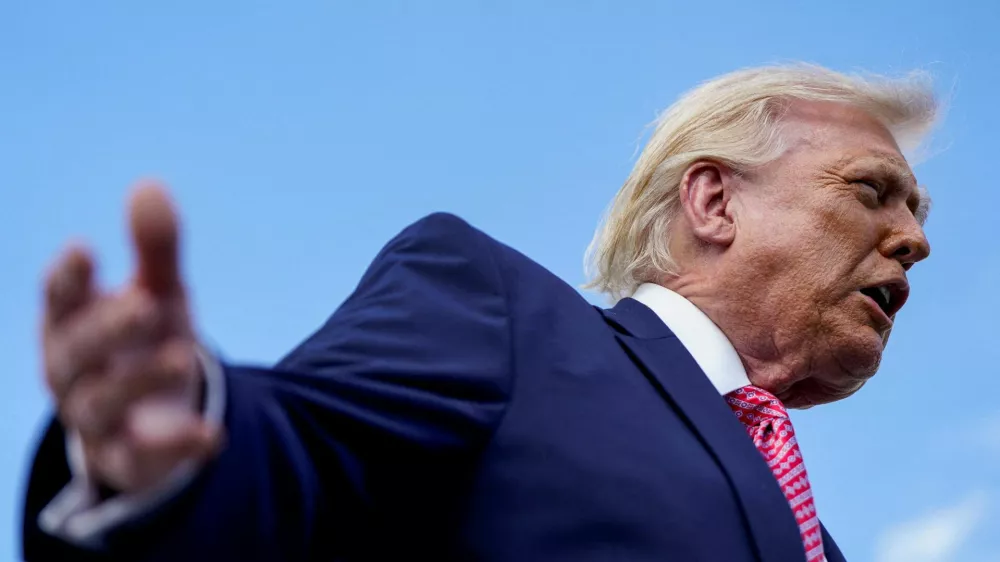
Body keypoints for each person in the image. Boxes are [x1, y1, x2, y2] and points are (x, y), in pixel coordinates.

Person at [22, 63, 936, 562]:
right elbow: (306, 449)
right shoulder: (505, 315)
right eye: (872, 192)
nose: (913, 240)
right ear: (713, 203)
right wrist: (179, 439)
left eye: (918, 213)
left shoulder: (823, 545)